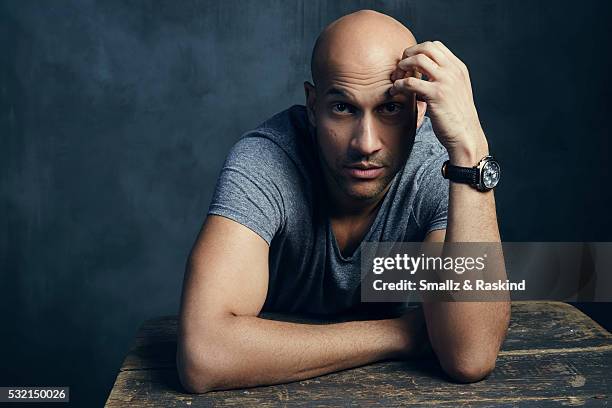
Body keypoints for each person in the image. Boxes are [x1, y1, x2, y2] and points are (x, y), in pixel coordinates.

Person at [176, 9, 510, 393]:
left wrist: (471, 151)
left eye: (390, 108)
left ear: (419, 110)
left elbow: (470, 356)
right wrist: (402, 334)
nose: (366, 143)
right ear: (313, 106)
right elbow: (205, 356)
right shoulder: (266, 161)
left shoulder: (439, 170)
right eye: (342, 108)